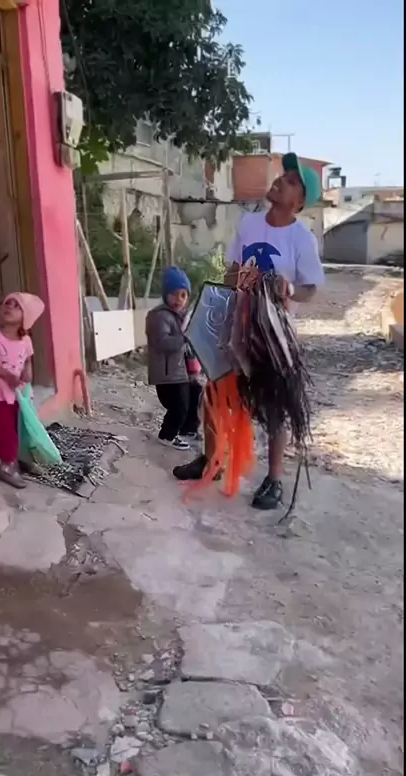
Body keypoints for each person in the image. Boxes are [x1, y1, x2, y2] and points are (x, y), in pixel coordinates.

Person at [173, 152, 324, 510]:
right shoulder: (250, 223)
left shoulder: (302, 239)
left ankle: (274, 479)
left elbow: (311, 288)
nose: (280, 181)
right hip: (235, 323)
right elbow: (231, 271)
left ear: (299, 201)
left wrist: (288, 288)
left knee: (274, 406)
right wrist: (239, 287)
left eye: (291, 181)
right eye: (283, 175)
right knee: (214, 392)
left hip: (271, 336)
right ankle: (212, 460)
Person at [0, 292, 45, 489]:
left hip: (20, 395)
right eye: (8, 303)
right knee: (5, 432)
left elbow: (28, 360)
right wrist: (6, 375)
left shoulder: (26, 340)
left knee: (21, 429)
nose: (9, 307)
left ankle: (20, 458)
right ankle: (7, 466)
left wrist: (28, 372)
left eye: (17, 306)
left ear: (26, 316)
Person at [146, 266, 200, 450]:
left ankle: (187, 430)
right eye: (174, 294)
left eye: (183, 295)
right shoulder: (159, 316)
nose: (179, 299)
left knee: (196, 395)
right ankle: (167, 435)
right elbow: (162, 343)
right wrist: (184, 337)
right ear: (165, 295)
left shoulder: (180, 317)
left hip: (180, 371)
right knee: (179, 406)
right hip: (167, 374)